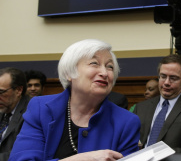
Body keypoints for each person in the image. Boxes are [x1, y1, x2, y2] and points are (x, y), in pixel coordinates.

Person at [9, 39, 140, 160]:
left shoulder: (127, 122)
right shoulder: (40, 108)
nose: (104, 73)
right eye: (94, 63)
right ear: (69, 73)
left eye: (109, 66)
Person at [133, 54, 181, 153]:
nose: (166, 82)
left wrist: (154, 154)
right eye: (163, 76)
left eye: (173, 78)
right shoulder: (141, 108)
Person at [0, 67, 30, 160]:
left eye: (1, 92)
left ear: (18, 90)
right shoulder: (3, 109)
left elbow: (22, 153)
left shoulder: (30, 112)